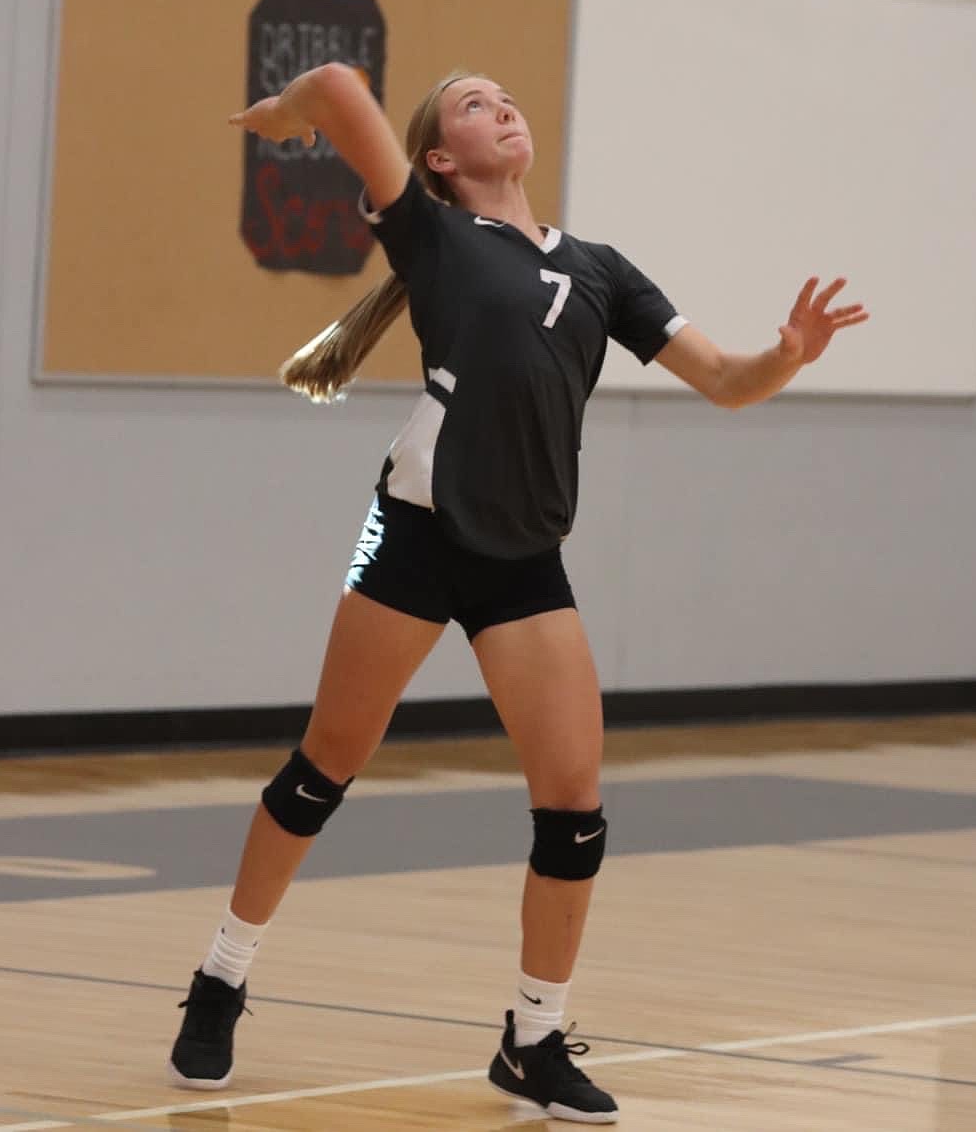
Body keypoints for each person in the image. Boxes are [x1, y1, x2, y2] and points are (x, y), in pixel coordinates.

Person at [168, 61, 869, 1123]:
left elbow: (726, 384)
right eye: (471, 102)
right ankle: (222, 974)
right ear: (440, 159)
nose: (501, 106)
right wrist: (288, 113)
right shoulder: (436, 237)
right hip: (416, 531)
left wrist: (788, 353)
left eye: (505, 96)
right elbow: (341, 84)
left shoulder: (599, 270)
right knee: (324, 768)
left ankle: (532, 1041)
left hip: (524, 559)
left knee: (575, 811)